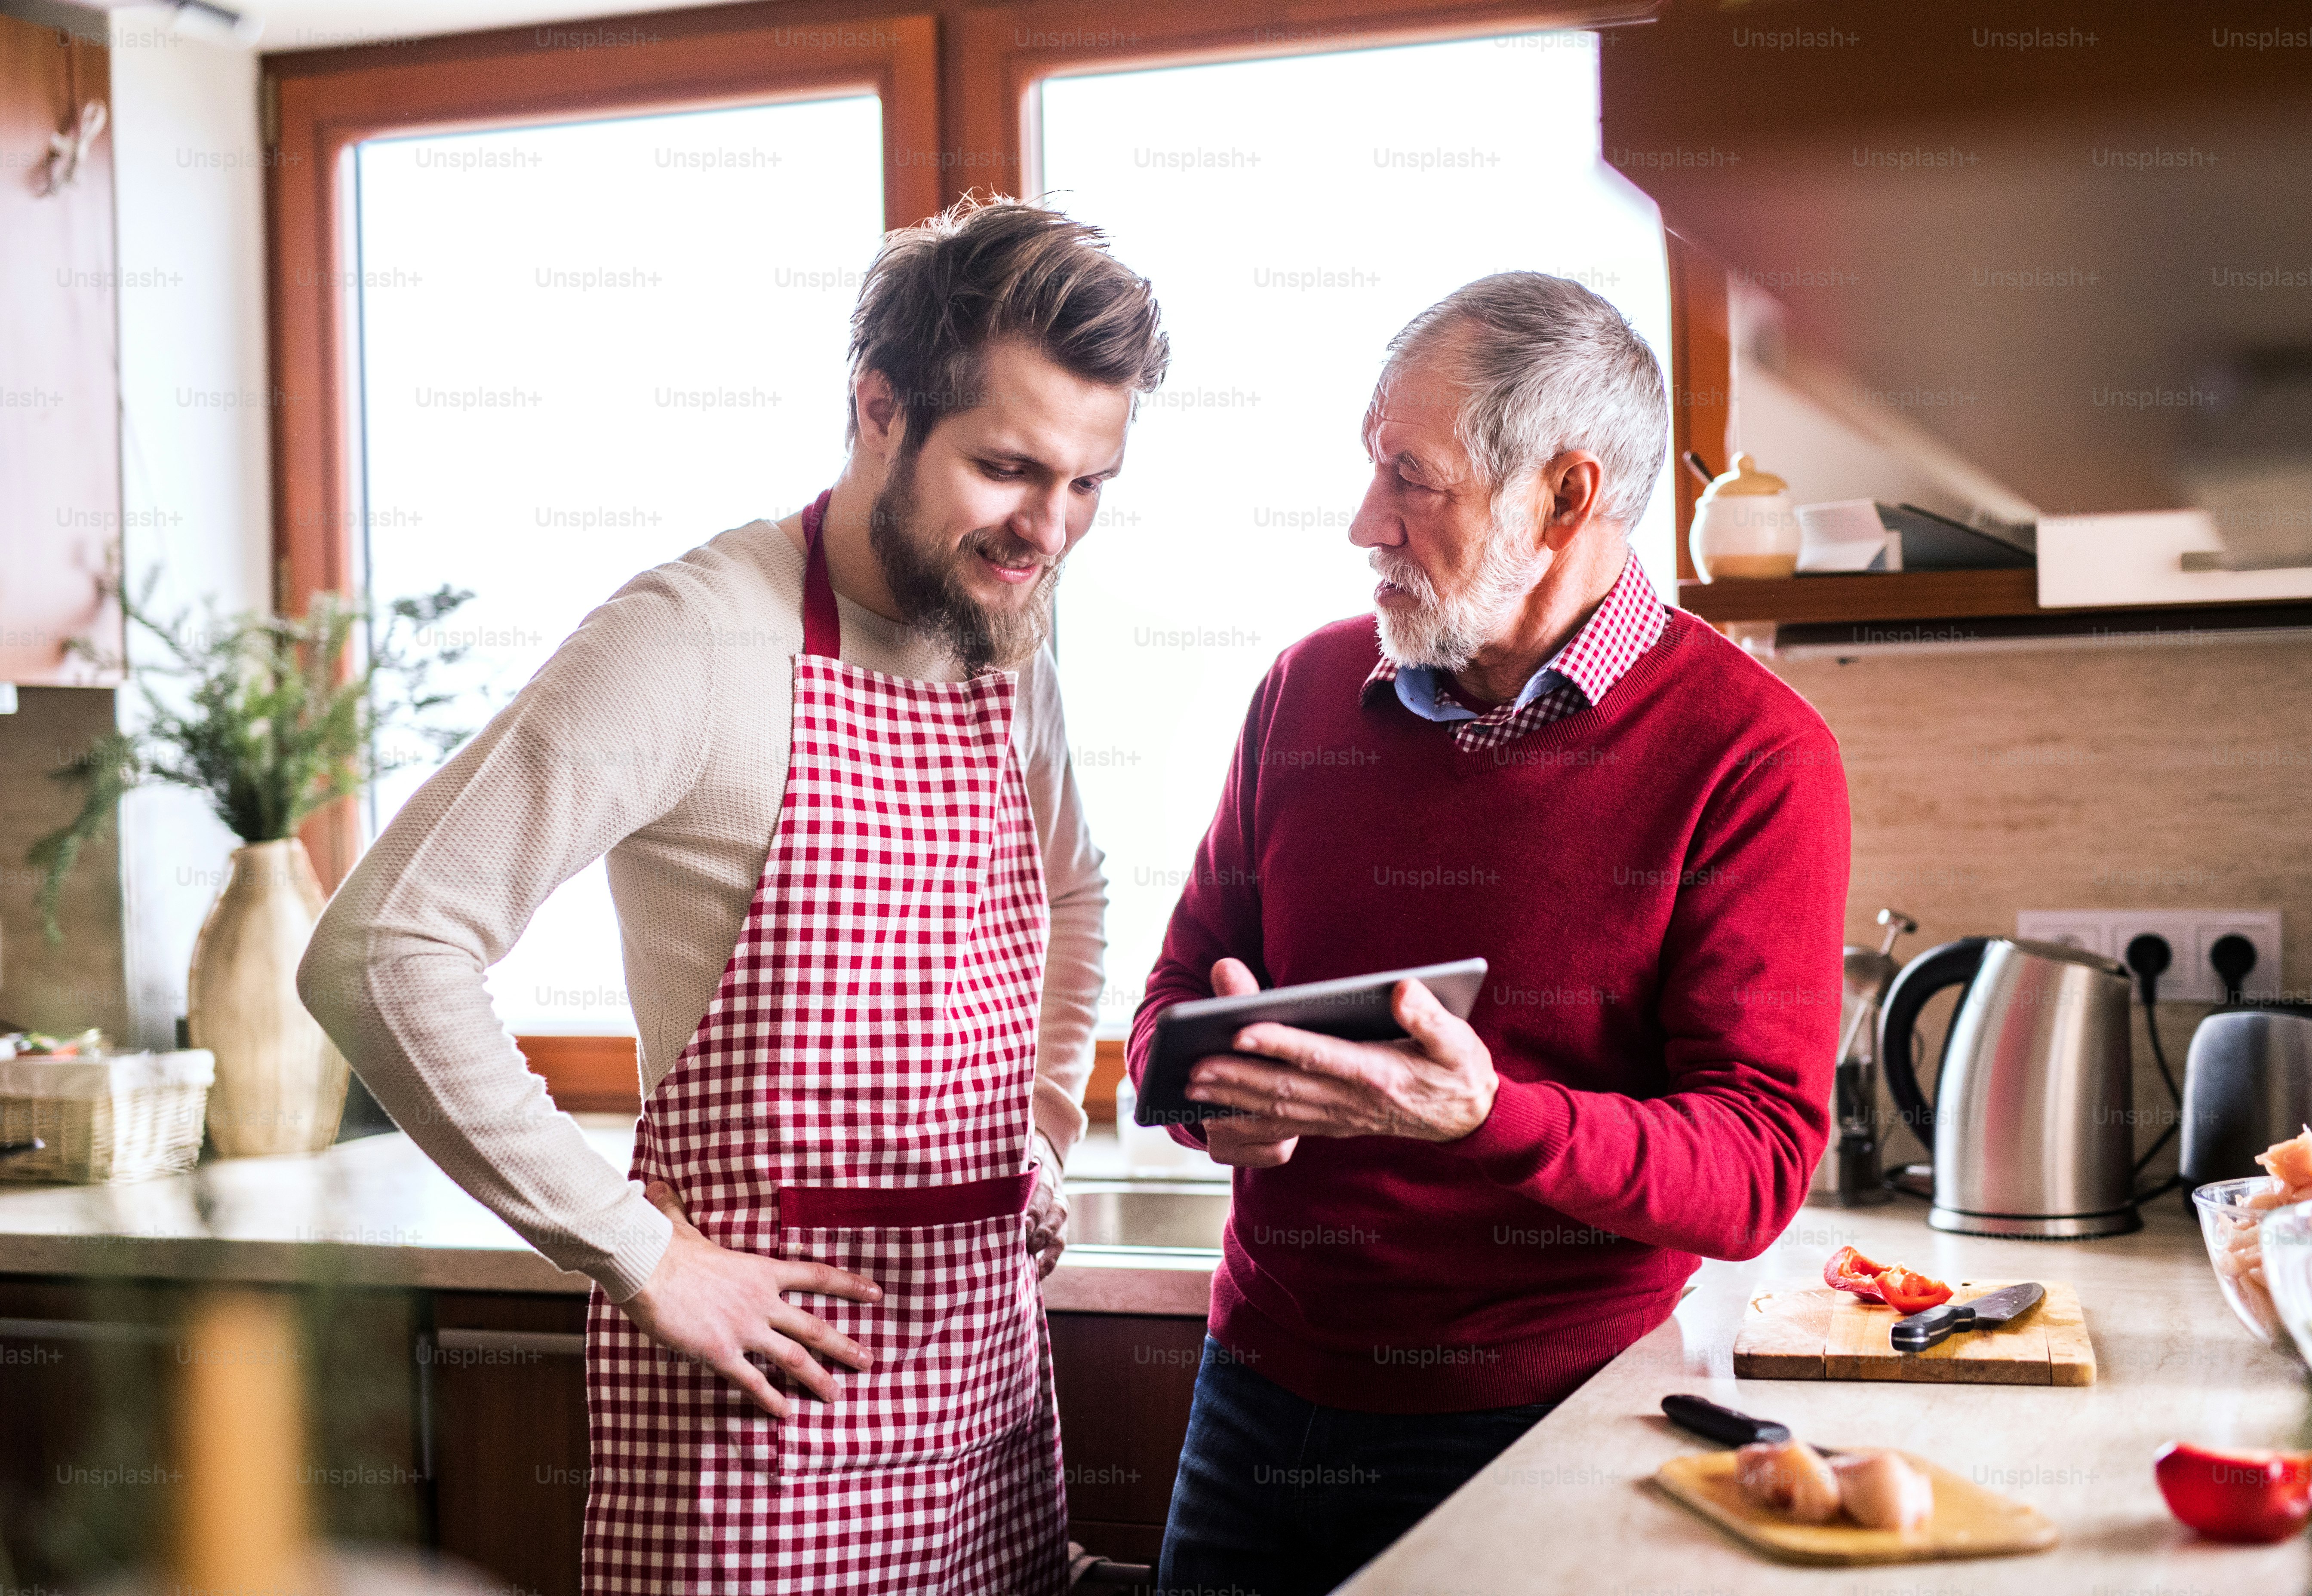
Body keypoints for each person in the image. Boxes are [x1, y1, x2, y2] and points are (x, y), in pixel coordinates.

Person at [301, 195, 1168, 1593]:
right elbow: (384, 952)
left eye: (1088, 486)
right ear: (878, 408)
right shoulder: (693, 644)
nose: (1048, 528)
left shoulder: (1001, 628)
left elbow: (1073, 892)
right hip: (761, 1440)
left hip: (985, 1414)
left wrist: (1049, 1125)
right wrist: (644, 1255)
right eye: (1010, 468)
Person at [1131, 272, 1851, 1596]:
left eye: (1414, 478)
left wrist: (1484, 1117)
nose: (1364, 523)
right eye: (1371, 466)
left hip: (1543, 1423)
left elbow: (1755, 1168)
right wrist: (1210, 1103)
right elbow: (1172, 1001)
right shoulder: (1303, 689)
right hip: (1255, 1397)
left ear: (1566, 498)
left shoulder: (1754, 757)